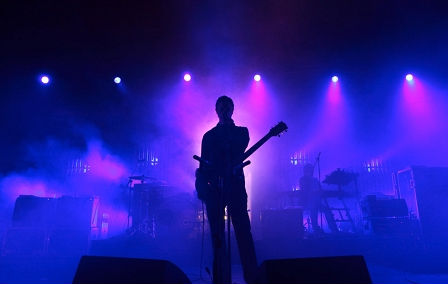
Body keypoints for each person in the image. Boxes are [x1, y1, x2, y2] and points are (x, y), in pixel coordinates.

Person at [195, 96, 258, 284]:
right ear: (216, 110)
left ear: (232, 109)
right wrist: (202, 186)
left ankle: (253, 278)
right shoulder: (208, 136)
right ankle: (221, 279)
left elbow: (238, 149)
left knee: (243, 233)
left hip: (236, 187)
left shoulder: (241, 132)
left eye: (227, 106)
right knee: (217, 237)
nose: (224, 109)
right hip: (215, 190)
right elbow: (205, 164)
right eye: (221, 107)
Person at [299, 163, 322, 233]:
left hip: (315, 202)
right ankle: (314, 227)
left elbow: (319, 190)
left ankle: (334, 229)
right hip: (306, 202)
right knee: (313, 207)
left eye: (311, 171)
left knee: (326, 209)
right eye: (309, 170)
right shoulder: (303, 179)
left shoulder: (315, 180)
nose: (311, 172)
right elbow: (304, 190)